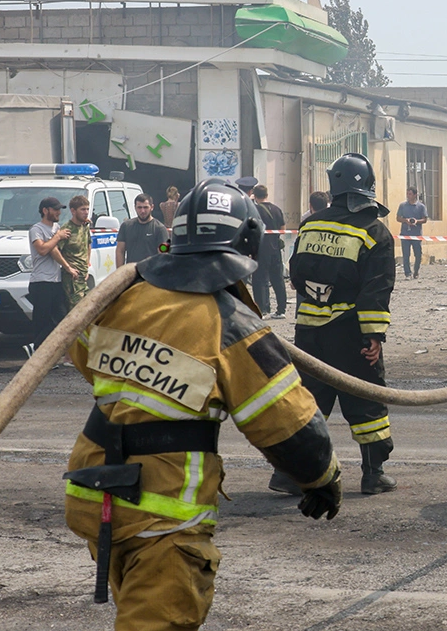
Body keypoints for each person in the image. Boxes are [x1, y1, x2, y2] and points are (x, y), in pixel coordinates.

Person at [63, 178, 342, 630]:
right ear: (248, 245)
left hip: (94, 494)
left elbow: (83, 357)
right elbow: (288, 426)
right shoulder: (232, 324)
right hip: (163, 512)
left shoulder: (123, 297)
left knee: (134, 607)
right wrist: (322, 478)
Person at [271, 153, 398, 496]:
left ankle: (288, 473)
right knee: (367, 401)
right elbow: (377, 289)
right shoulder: (374, 232)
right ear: (368, 187)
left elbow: (295, 273)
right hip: (351, 333)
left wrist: (319, 299)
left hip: (309, 334)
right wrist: (374, 335)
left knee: (309, 402)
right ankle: (374, 474)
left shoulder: (311, 224)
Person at [25, 196, 74, 357]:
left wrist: (67, 268)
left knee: (61, 319)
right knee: (42, 321)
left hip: (55, 281)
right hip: (41, 282)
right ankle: (37, 352)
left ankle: (37, 349)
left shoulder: (56, 228)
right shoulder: (36, 229)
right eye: (55, 209)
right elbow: (43, 250)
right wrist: (58, 237)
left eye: (60, 209)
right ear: (45, 211)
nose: (59, 212)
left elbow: (56, 251)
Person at [251, 184, 287, 319]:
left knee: (260, 279)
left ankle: (263, 309)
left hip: (261, 249)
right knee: (278, 279)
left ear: (254, 196)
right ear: (266, 194)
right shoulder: (277, 209)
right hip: (276, 249)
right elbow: (283, 228)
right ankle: (281, 309)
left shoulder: (255, 210)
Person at [115, 194, 169, 266]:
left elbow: (163, 255)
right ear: (135, 208)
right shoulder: (126, 226)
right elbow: (120, 251)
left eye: (145, 207)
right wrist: (120, 273)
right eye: (139, 207)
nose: (142, 211)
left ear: (152, 207)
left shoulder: (159, 229)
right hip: (132, 273)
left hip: (150, 274)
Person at [59, 195, 92, 310]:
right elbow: (56, 251)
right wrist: (68, 268)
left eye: (87, 209)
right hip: (72, 278)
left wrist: (87, 264)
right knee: (77, 310)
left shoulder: (85, 226)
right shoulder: (66, 229)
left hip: (83, 275)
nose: (86, 212)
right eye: (83, 209)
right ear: (73, 211)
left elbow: (88, 244)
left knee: (90, 308)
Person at [396, 186, 428, 279]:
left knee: (418, 255)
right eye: (407, 194)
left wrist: (416, 221)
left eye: (410, 194)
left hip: (416, 235)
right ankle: (407, 273)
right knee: (406, 255)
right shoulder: (403, 206)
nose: (408, 196)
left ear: (415, 195)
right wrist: (406, 220)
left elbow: (425, 219)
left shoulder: (421, 207)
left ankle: (416, 271)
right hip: (405, 234)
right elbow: (398, 218)